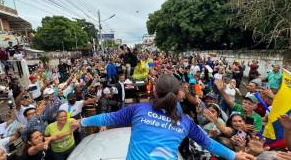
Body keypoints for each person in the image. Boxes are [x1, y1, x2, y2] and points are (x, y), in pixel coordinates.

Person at [70, 75, 253, 160]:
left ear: (155, 91)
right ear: (177, 93)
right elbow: (208, 143)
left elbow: (105, 119)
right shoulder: (186, 122)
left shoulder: (138, 109)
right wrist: (233, 156)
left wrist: (80, 122)